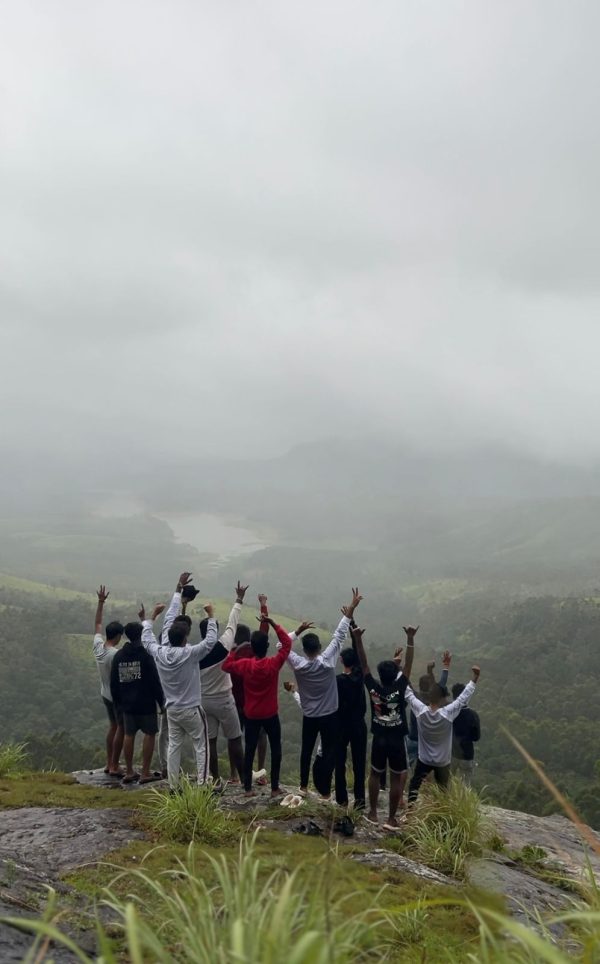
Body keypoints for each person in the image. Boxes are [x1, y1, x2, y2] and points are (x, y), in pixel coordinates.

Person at [282, 588, 363, 799]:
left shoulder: (298, 665)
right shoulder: (328, 663)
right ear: (319, 647)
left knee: (306, 751)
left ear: (305, 650)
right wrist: (351, 610)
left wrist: (297, 631)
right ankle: (326, 791)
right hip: (329, 716)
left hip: (309, 716)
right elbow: (339, 635)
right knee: (329, 753)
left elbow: (281, 645)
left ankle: (302, 786)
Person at [140, 596, 219, 789]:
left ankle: (173, 786)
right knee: (201, 745)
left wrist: (151, 617)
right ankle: (202, 784)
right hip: (191, 708)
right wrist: (211, 616)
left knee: (174, 746)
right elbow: (210, 642)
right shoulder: (190, 654)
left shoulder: (160, 653)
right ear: (185, 639)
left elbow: (146, 639)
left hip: (172, 709)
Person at [351, 624, 417, 829]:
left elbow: (363, 663)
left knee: (375, 774)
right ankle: (391, 818)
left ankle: (372, 813)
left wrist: (358, 639)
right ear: (396, 674)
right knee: (396, 778)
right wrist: (410, 638)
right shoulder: (400, 687)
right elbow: (409, 664)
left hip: (379, 738)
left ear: (380, 674)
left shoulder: (373, 688)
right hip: (397, 740)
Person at [222, 614, 293, 798]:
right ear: (267, 647)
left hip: (251, 714)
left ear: (252, 648)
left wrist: (233, 648)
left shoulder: (246, 665)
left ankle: (247, 789)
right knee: (276, 749)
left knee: (249, 750)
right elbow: (286, 644)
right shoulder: (273, 664)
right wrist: (273, 624)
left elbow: (226, 666)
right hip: (270, 714)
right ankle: (275, 787)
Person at [197, 582, 248, 784]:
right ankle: (245, 782)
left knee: (210, 742)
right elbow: (233, 623)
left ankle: (216, 779)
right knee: (234, 738)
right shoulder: (223, 646)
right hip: (224, 700)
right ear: (214, 630)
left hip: (203, 701)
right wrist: (239, 599)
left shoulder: (195, 653)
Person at [406, 666, 481, 802]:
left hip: (424, 759)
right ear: (442, 698)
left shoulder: (420, 711)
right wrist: (474, 678)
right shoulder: (448, 713)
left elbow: (408, 694)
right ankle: (441, 812)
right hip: (442, 762)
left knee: (415, 784)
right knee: (443, 789)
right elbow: (463, 699)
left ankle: (410, 810)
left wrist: (400, 670)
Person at [110, 620, 165, 784]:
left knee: (129, 735)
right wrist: (161, 702)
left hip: (127, 704)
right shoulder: (146, 656)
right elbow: (155, 681)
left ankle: (129, 771)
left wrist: (118, 704)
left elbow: (114, 682)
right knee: (149, 735)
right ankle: (145, 772)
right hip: (146, 703)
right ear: (140, 635)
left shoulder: (119, 656)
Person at [92, 585, 124, 777]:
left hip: (104, 693)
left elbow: (97, 625)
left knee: (112, 726)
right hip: (116, 696)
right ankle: (114, 765)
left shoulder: (98, 647)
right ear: (119, 636)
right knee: (120, 728)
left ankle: (108, 763)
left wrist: (100, 603)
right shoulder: (116, 655)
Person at [334, 628, 367, 810]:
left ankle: (342, 798)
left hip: (341, 725)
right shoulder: (359, 676)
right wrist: (355, 634)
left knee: (339, 761)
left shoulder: (338, 681)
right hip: (358, 724)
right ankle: (360, 801)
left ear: (341, 661)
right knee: (359, 763)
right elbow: (360, 658)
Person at [406, 652, 452, 768]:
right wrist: (445, 666)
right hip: (428, 743)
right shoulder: (434, 699)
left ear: (420, 685)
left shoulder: (415, 697)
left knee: (410, 769)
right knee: (427, 772)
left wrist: (399, 668)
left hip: (413, 738)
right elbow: (442, 683)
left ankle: (410, 785)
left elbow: (405, 682)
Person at [451, 682, 481, 786]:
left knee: (446, 784)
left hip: (451, 753)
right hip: (467, 754)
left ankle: (443, 802)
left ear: (453, 695)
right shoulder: (473, 715)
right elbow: (476, 737)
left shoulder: (449, 712)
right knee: (465, 786)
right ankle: (462, 802)